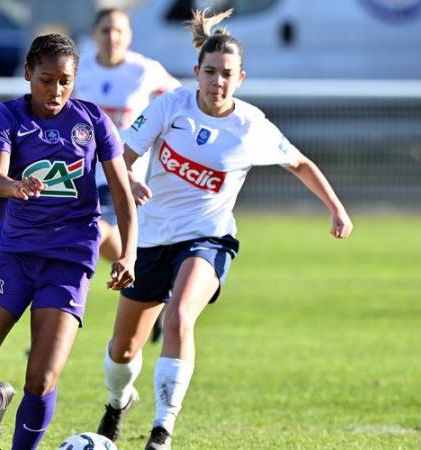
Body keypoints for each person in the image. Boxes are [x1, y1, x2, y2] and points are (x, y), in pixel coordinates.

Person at [95, 9, 354, 450]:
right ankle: (118, 403)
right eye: (210, 72)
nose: (217, 81)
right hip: (152, 240)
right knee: (122, 350)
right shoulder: (171, 105)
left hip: (207, 238)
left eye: (227, 74)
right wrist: (131, 177)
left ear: (241, 78)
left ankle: (162, 429)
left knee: (180, 317)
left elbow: (301, 164)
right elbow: (122, 154)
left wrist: (336, 209)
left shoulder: (251, 125)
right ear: (196, 72)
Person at [0, 33, 138, 450]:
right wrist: (14, 186)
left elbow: (122, 192)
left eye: (65, 81)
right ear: (28, 74)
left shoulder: (92, 121)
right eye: (46, 80)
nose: (55, 91)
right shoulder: (8, 116)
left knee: (42, 377)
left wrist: (128, 253)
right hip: (14, 256)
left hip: (68, 261)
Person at [74, 8, 181, 344]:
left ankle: (60, 314)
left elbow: (180, 104)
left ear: (129, 35)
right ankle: (147, 287)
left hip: (124, 178)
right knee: (91, 239)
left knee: (94, 235)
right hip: (80, 175)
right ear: (94, 34)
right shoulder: (80, 70)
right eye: (106, 30)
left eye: (119, 30)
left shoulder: (145, 70)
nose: (112, 37)